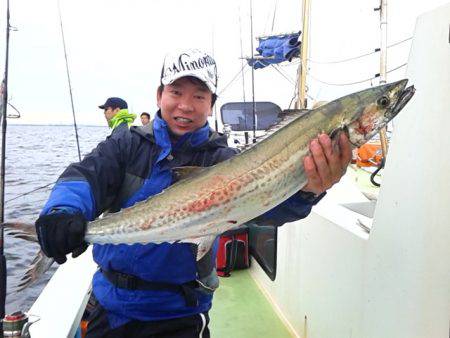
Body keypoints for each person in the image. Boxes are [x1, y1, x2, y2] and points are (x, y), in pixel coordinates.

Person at [34, 48, 352, 337]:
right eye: (176, 92)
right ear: (159, 95)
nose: (185, 106)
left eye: (199, 96)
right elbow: (86, 175)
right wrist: (62, 212)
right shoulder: (127, 145)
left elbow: (268, 207)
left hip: (181, 316)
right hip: (111, 308)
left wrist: (307, 190)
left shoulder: (224, 161)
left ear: (211, 104)